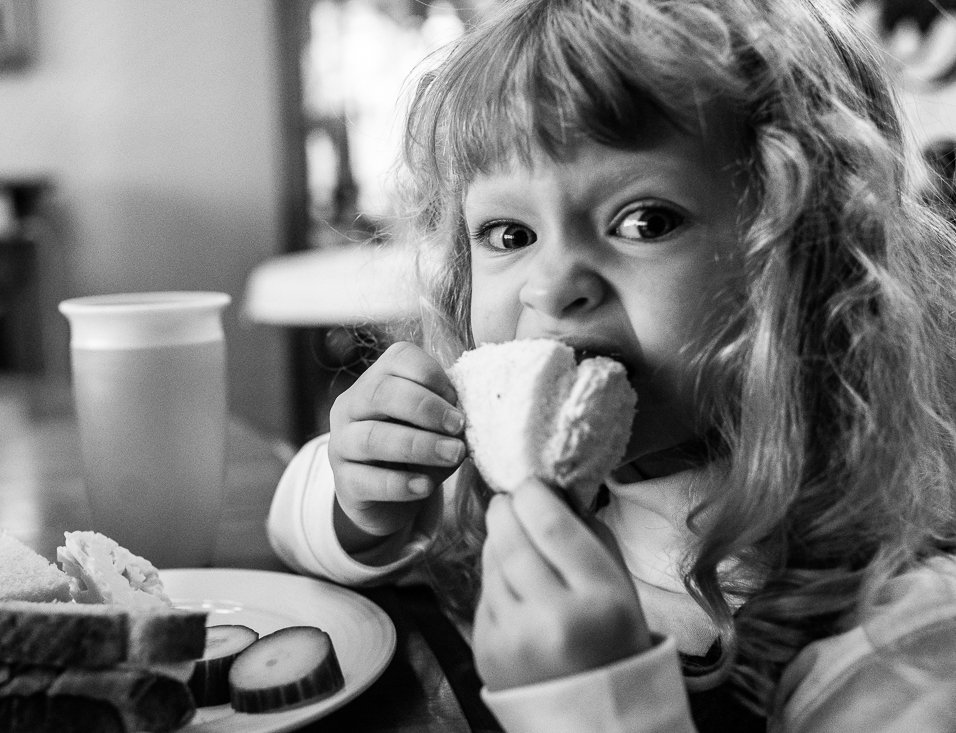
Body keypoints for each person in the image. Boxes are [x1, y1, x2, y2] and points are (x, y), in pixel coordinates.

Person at [268, 0, 956, 729]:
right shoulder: (496, 485)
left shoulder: (900, 645)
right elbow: (297, 525)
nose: (552, 282)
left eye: (645, 221)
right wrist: (364, 504)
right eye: (509, 232)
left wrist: (598, 702)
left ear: (810, 260)